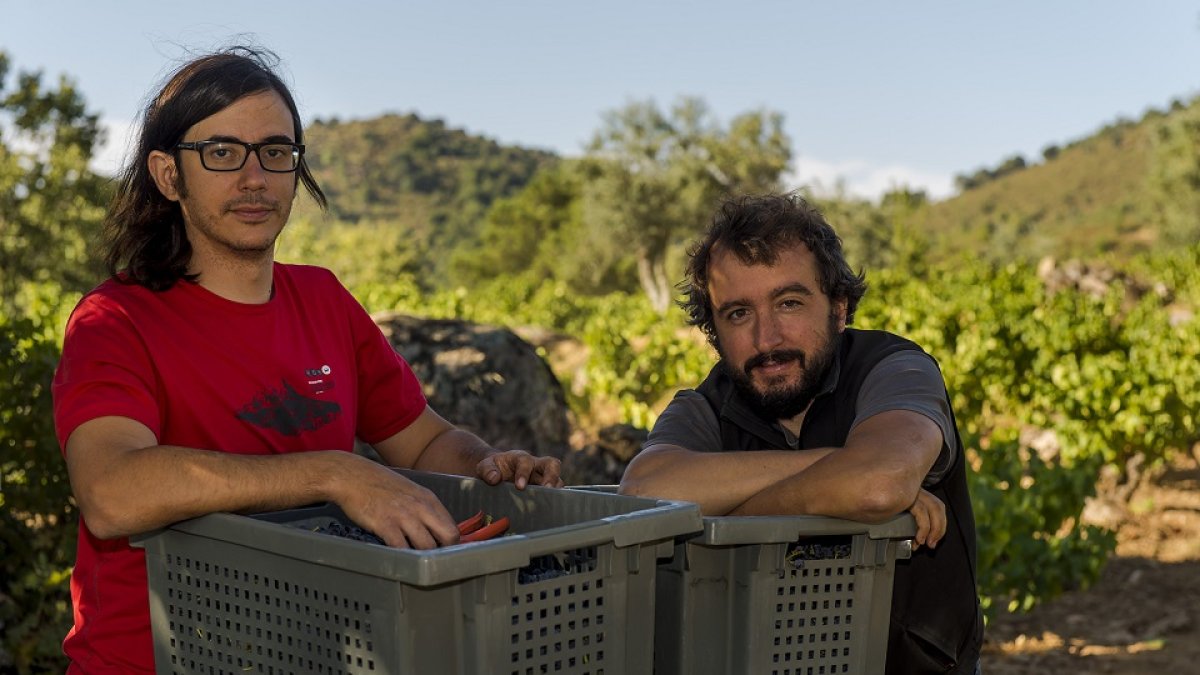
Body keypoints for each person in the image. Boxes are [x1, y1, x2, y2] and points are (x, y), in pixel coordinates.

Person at [51, 46, 562, 674]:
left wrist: (487, 463)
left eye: (275, 152)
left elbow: (425, 442)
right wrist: (332, 473)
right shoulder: (115, 320)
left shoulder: (323, 300)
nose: (254, 178)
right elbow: (110, 491)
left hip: (311, 654)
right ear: (168, 175)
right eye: (221, 152)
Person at [620, 193, 983, 674]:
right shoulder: (703, 406)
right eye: (738, 313)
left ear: (838, 308)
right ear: (714, 332)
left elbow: (877, 483)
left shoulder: (896, 369)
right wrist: (841, 469)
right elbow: (642, 491)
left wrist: (727, 516)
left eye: (789, 303)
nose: (766, 338)